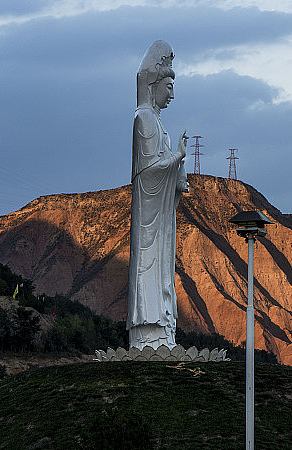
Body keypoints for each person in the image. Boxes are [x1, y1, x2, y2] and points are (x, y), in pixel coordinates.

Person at [128, 40, 188, 350]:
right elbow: (148, 173)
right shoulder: (144, 119)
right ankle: (147, 331)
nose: (173, 94)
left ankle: (163, 329)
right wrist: (176, 158)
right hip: (149, 218)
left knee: (162, 269)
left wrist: (178, 176)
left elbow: (160, 169)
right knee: (149, 268)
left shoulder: (157, 121)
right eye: (168, 85)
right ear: (155, 85)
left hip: (160, 219)